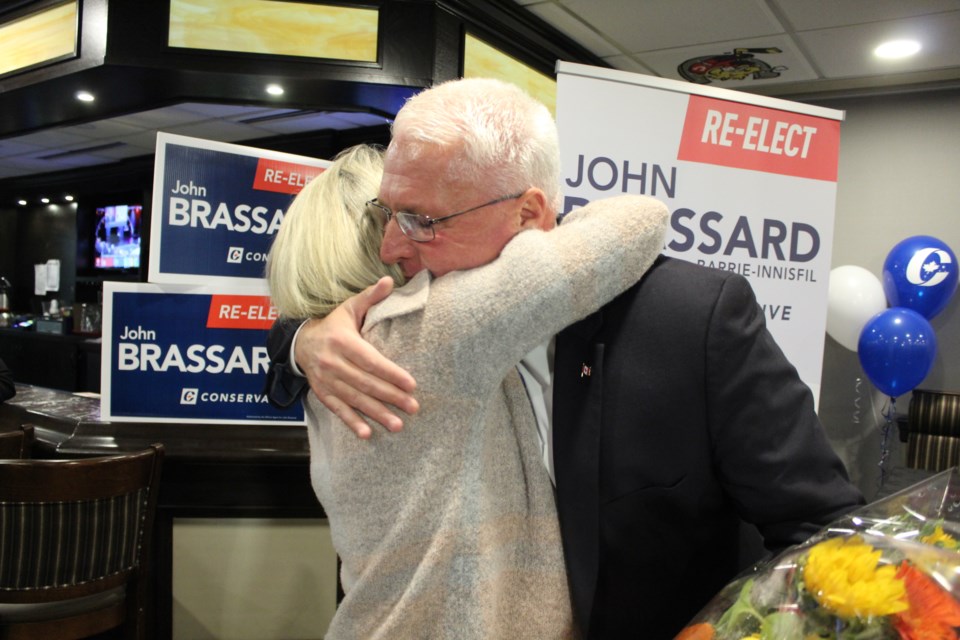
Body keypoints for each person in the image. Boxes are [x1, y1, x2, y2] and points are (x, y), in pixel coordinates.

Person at [266, 78, 865, 638]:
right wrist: (299, 341)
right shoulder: (398, 334)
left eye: (423, 222)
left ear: (528, 213)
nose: (393, 247)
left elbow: (821, 526)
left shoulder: (688, 317)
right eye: (385, 214)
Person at [266, 137, 668, 636]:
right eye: (408, 217)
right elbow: (639, 221)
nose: (409, 230)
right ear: (378, 238)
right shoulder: (432, 327)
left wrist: (298, 337)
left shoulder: (329, 361)